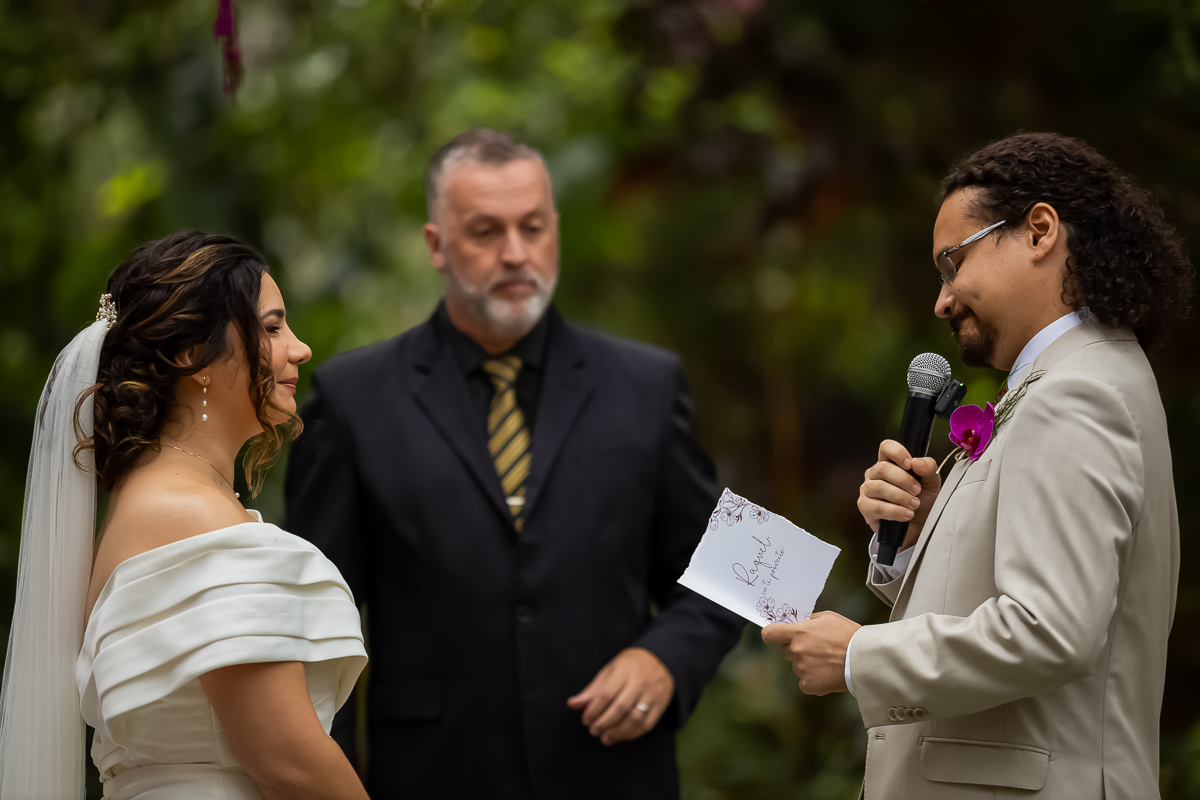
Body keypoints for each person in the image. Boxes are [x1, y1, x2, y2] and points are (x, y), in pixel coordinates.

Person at [284, 128, 744, 799]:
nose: (516, 254)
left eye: (533, 227)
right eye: (485, 232)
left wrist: (666, 658)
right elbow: (315, 629)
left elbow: (729, 570)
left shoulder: (647, 384)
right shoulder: (352, 399)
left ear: (554, 227)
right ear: (437, 245)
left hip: (613, 775)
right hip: (432, 777)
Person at [762, 132, 1191, 799]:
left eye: (952, 263)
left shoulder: (1076, 394)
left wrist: (857, 656)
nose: (943, 298)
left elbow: (1048, 631)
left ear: (1038, 231)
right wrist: (916, 538)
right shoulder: (1076, 380)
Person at [0, 232, 369, 799]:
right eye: (272, 328)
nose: (300, 349)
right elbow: (290, 761)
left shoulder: (149, 500)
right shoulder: (190, 516)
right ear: (192, 355)